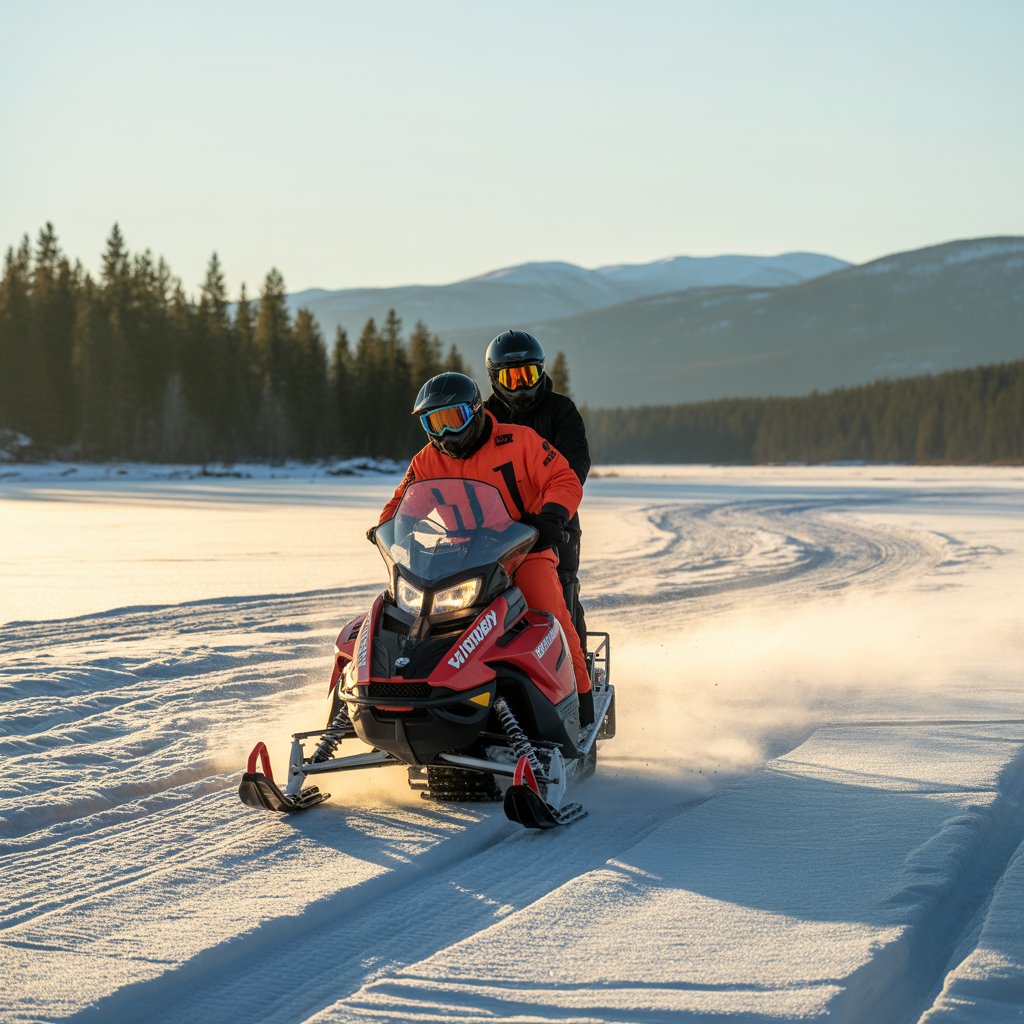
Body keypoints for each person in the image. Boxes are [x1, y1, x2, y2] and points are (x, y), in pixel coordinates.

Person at [373, 371, 594, 725]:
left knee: (551, 615)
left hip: (524, 548)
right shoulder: (427, 460)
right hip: (459, 556)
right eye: (435, 422)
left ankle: (580, 706)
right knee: (407, 618)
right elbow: (401, 502)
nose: (445, 433)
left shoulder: (520, 440)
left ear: (475, 411)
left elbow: (562, 478)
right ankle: (403, 701)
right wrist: (387, 528)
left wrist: (552, 516)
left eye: (453, 419)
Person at [484, 330, 591, 646]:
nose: (520, 386)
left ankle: (575, 665)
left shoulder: (561, 410)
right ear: (495, 378)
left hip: (554, 519)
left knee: (561, 588)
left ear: (541, 372)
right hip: (497, 522)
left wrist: (552, 513)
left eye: (527, 376)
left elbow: (575, 464)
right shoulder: (486, 417)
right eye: (511, 378)